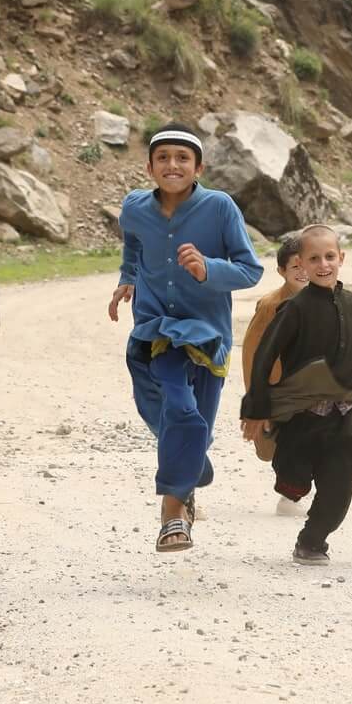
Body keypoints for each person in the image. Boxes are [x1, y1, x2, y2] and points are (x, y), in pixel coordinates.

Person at [108, 124, 263, 552]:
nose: (172, 165)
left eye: (182, 158)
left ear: (199, 168)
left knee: (198, 424)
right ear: (149, 167)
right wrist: (126, 278)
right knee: (175, 407)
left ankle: (192, 466)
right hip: (157, 328)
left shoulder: (220, 207)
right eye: (163, 158)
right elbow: (134, 246)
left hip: (208, 334)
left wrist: (207, 269)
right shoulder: (134, 207)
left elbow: (251, 269)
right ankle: (172, 517)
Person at [239, 225, 352, 564]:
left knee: (342, 482)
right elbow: (263, 356)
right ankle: (291, 484)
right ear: (301, 265)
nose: (323, 265)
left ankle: (312, 540)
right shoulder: (294, 309)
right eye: (314, 259)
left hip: (343, 413)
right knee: (292, 470)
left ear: (342, 258)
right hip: (302, 414)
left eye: (330, 257)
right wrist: (256, 407)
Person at [243, 233, 311, 515]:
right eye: (295, 267)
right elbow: (253, 354)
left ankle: (301, 492)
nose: (303, 273)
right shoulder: (271, 306)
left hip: (316, 389)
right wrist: (259, 400)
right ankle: (290, 496)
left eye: (308, 264)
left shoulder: (330, 300)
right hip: (280, 390)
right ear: (282, 271)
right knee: (285, 443)